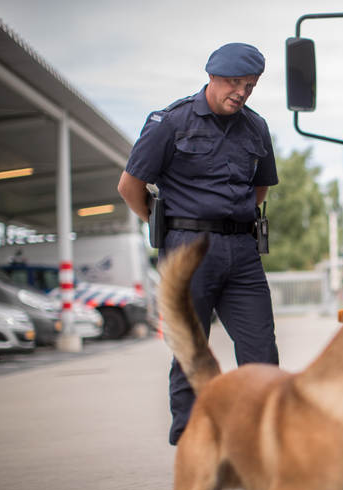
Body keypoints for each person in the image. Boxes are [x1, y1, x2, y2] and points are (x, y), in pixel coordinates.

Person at [117, 42, 279, 445]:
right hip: (187, 249)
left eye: (250, 85)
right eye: (234, 83)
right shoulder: (170, 122)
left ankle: (262, 433)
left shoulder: (256, 127)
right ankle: (192, 437)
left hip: (242, 251)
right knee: (191, 348)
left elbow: (260, 187)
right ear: (212, 77)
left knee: (260, 345)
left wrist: (236, 219)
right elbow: (130, 186)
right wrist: (168, 226)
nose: (241, 92)